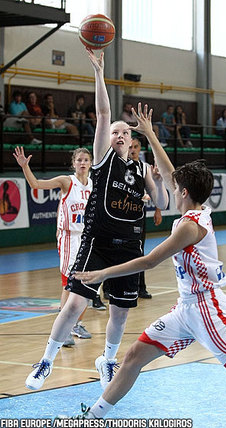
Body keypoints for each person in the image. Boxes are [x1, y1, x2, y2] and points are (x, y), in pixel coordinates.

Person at [71, 103, 226, 419]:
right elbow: (170, 173)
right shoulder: (192, 209)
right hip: (186, 308)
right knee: (133, 357)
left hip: (207, 309)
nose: (170, 185)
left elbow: (149, 262)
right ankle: (93, 417)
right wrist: (151, 134)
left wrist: (102, 272)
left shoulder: (188, 226)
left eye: (174, 186)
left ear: (182, 192)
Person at [24, 49, 168, 392]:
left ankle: (107, 359)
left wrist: (159, 178)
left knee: (120, 313)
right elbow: (103, 113)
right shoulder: (103, 162)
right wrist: (99, 72)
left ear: (132, 140)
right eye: (114, 132)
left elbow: (163, 202)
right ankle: (46, 359)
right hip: (97, 243)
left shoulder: (142, 169)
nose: (118, 135)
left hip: (130, 249)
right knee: (75, 303)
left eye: (124, 133)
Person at [13, 146, 93, 348]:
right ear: (73, 163)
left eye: (86, 160)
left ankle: (76, 324)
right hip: (69, 238)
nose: (82, 163)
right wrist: (25, 167)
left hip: (87, 238)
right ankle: (62, 328)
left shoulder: (94, 184)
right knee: (69, 283)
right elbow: (36, 184)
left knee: (85, 285)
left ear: (91, 163)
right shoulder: (67, 181)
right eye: (79, 160)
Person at [128, 136, 162, 299]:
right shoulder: (120, 166)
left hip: (138, 216)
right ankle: (109, 288)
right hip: (121, 215)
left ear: (140, 149)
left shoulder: (145, 168)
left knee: (139, 251)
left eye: (135, 147)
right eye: (130, 147)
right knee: (117, 251)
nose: (132, 150)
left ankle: (141, 287)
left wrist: (158, 210)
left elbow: (153, 188)